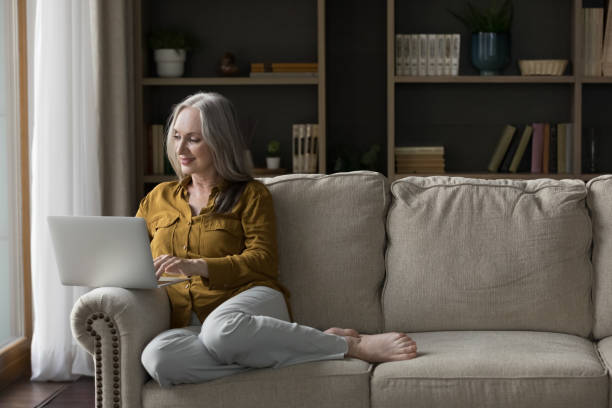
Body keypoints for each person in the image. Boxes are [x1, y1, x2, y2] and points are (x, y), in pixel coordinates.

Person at [138, 92, 418, 387]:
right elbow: (132, 255)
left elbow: (263, 262)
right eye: (177, 136)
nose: (181, 148)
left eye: (193, 139)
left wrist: (199, 266)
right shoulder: (158, 198)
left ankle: (352, 347)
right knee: (160, 361)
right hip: (191, 323)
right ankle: (307, 345)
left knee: (221, 332)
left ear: (220, 141)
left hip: (248, 306)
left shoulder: (250, 194)